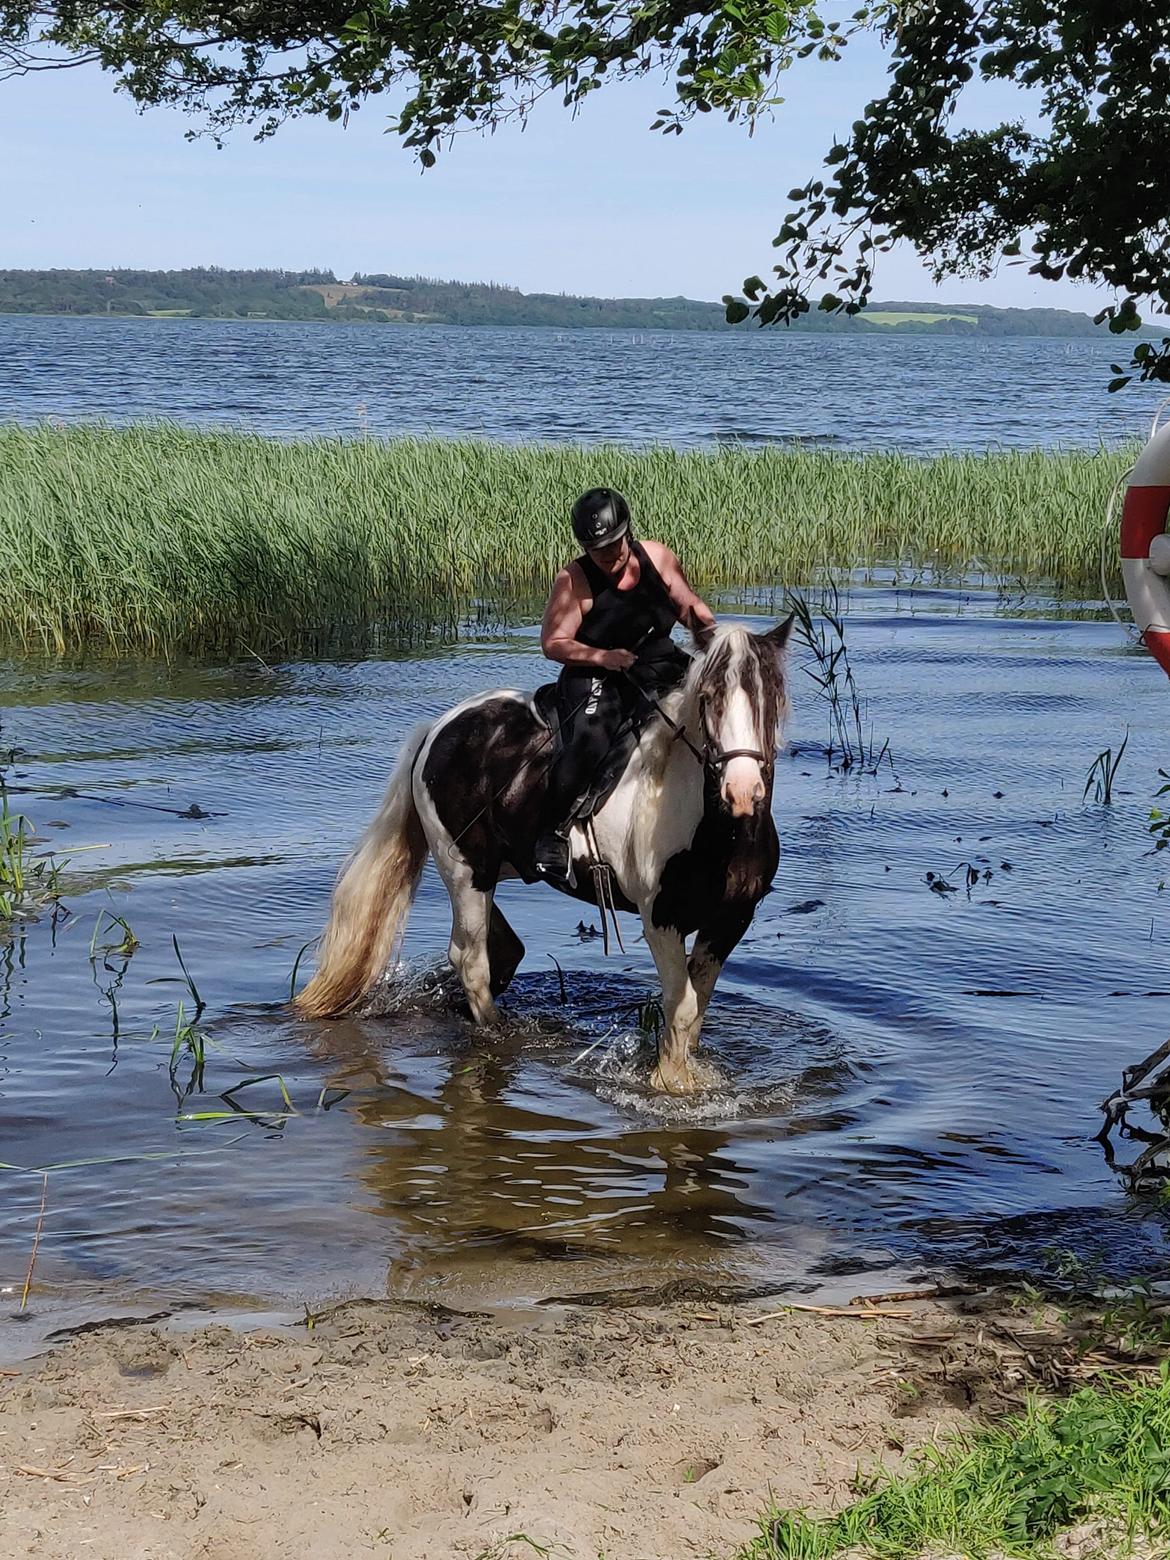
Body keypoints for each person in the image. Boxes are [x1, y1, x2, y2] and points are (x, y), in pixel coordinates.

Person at [534, 487, 717, 881]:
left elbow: (691, 608)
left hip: (659, 661)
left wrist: (717, 645)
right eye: (598, 551)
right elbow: (553, 643)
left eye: (615, 546)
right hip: (598, 672)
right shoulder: (573, 580)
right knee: (589, 743)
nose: (610, 556)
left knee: (716, 708)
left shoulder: (658, 557)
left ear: (627, 532)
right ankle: (552, 832)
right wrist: (605, 657)